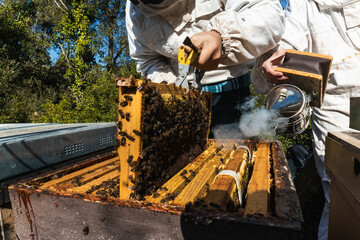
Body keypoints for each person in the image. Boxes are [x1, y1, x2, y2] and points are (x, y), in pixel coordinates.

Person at [251, 0, 360, 239]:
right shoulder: (303, 4)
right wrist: (276, 60)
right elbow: (289, 40)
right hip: (335, 103)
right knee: (340, 191)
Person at [126, 0, 285, 136]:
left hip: (230, 89)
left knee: (232, 157)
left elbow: (267, 13)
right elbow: (147, 60)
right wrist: (172, 91)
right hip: (182, 99)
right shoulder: (134, 14)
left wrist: (222, 38)